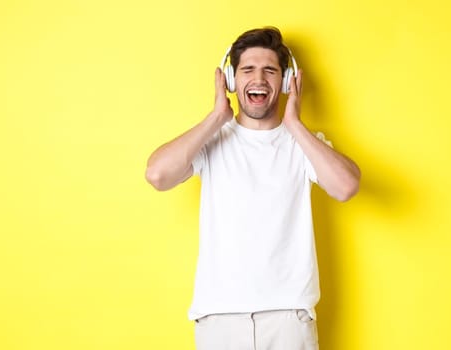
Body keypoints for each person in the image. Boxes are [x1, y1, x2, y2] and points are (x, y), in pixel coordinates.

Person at [144, 27, 361, 350]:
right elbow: (158, 175)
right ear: (231, 80)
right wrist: (217, 116)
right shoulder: (211, 141)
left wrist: (296, 125)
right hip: (220, 320)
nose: (258, 79)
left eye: (270, 71)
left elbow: (346, 187)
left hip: (288, 319)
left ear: (287, 82)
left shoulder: (303, 144)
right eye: (247, 70)